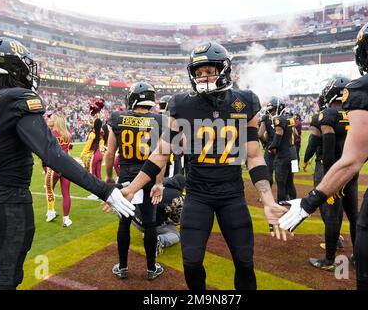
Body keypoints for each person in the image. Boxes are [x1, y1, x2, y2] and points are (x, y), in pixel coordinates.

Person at [109, 41, 289, 290]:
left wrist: (268, 198)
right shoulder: (182, 104)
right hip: (198, 195)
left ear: (224, 69)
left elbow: (254, 156)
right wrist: (132, 188)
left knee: (245, 262)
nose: (204, 77)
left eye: (209, 71)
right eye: (199, 72)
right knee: (192, 264)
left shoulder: (244, 101)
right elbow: (162, 153)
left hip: (231, 195)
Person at [0, 37, 134, 290]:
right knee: (5, 281)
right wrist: (104, 189)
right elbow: (52, 154)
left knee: (1, 273)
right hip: (6, 201)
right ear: (14, 67)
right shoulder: (17, 99)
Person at [279, 14, 368, 289]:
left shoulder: (367, 88)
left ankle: (338, 262)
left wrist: (309, 202)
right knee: (360, 218)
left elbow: (352, 160)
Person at [105, 81, 166, 281]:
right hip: (148, 176)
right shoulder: (159, 120)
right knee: (150, 223)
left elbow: (110, 152)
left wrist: (108, 176)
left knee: (124, 223)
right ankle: (151, 268)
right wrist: (158, 182)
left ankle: (122, 267)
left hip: (126, 176)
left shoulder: (117, 118)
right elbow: (161, 155)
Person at [308, 77, 358, 271]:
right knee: (354, 216)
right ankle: (358, 255)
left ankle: (329, 260)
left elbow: (328, 152)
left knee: (333, 217)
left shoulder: (328, 114)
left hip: (336, 170)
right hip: (351, 172)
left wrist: (330, 178)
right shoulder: (355, 113)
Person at [131, 174, 185, 256]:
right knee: (177, 235)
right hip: (149, 224)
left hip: (135, 219)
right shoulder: (177, 195)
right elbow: (176, 219)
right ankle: (158, 240)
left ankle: (148, 234)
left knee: (159, 215)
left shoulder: (158, 183)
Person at [44, 114, 74, 227]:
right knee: (66, 193)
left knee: (49, 189)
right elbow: (68, 149)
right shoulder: (68, 135)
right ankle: (66, 219)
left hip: (54, 167)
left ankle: (51, 212)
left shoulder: (51, 134)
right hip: (66, 166)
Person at [268, 99, 297, 201]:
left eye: (273, 110)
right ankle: (294, 204)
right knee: (290, 181)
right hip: (293, 154)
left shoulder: (279, 119)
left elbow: (278, 136)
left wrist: (271, 147)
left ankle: (281, 204)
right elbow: (296, 134)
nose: (271, 112)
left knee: (281, 183)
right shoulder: (290, 118)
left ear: (278, 108)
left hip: (283, 155)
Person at [258, 102, 275, 186]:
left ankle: (267, 195)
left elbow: (260, 134)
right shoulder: (286, 118)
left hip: (271, 147)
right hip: (286, 148)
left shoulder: (266, 118)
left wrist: (265, 142)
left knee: (268, 171)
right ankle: (288, 196)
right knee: (286, 176)